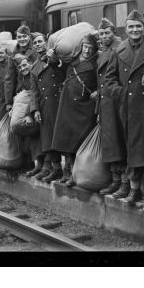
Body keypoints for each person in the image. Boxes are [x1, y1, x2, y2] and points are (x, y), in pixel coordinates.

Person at [106, 11, 144, 207]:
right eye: (131, 27)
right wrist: (120, 93)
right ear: (126, 29)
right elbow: (109, 79)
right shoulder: (119, 50)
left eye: (138, 26)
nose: (135, 30)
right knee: (131, 147)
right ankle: (135, 189)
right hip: (127, 107)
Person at [51, 33, 99, 186]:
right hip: (67, 104)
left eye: (90, 48)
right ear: (81, 47)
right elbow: (58, 71)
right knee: (66, 139)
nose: (87, 51)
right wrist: (52, 59)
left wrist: (98, 91)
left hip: (84, 107)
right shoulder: (71, 61)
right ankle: (67, 171)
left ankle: (75, 174)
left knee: (79, 140)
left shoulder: (96, 63)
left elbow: (101, 81)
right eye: (85, 47)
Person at [94, 18, 127, 196]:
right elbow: (100, 83)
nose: (104, 36)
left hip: (117, 101)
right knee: (111, 142)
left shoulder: (119, 48)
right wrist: (98, 108)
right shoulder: (103, 51)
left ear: (114, 31)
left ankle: (124, 182)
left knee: (120, 141)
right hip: (106, 103)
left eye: (107, 32)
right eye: (101, 34)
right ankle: (115, 180)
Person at [30, 37, 68, 182]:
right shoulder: (34, 67)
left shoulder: (56, 58)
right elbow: (34, 91)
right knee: (48, 138)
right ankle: (56, 168)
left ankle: (68, 170)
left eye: (40, 41)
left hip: (60, 102)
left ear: (46, 43)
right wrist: (35, 109)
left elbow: (64, 73)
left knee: (63, 137)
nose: (38, 44)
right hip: (45, 105)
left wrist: (55, 62)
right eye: (35, 43)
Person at [4, 25, 37, 113]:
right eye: (19, 37)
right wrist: (8, 102)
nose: (22, 39)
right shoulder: (13, 55)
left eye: (24, 36)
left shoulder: (36, 49)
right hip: (21, 92)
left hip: (36, 92)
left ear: (29, 37)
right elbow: (10, 79)